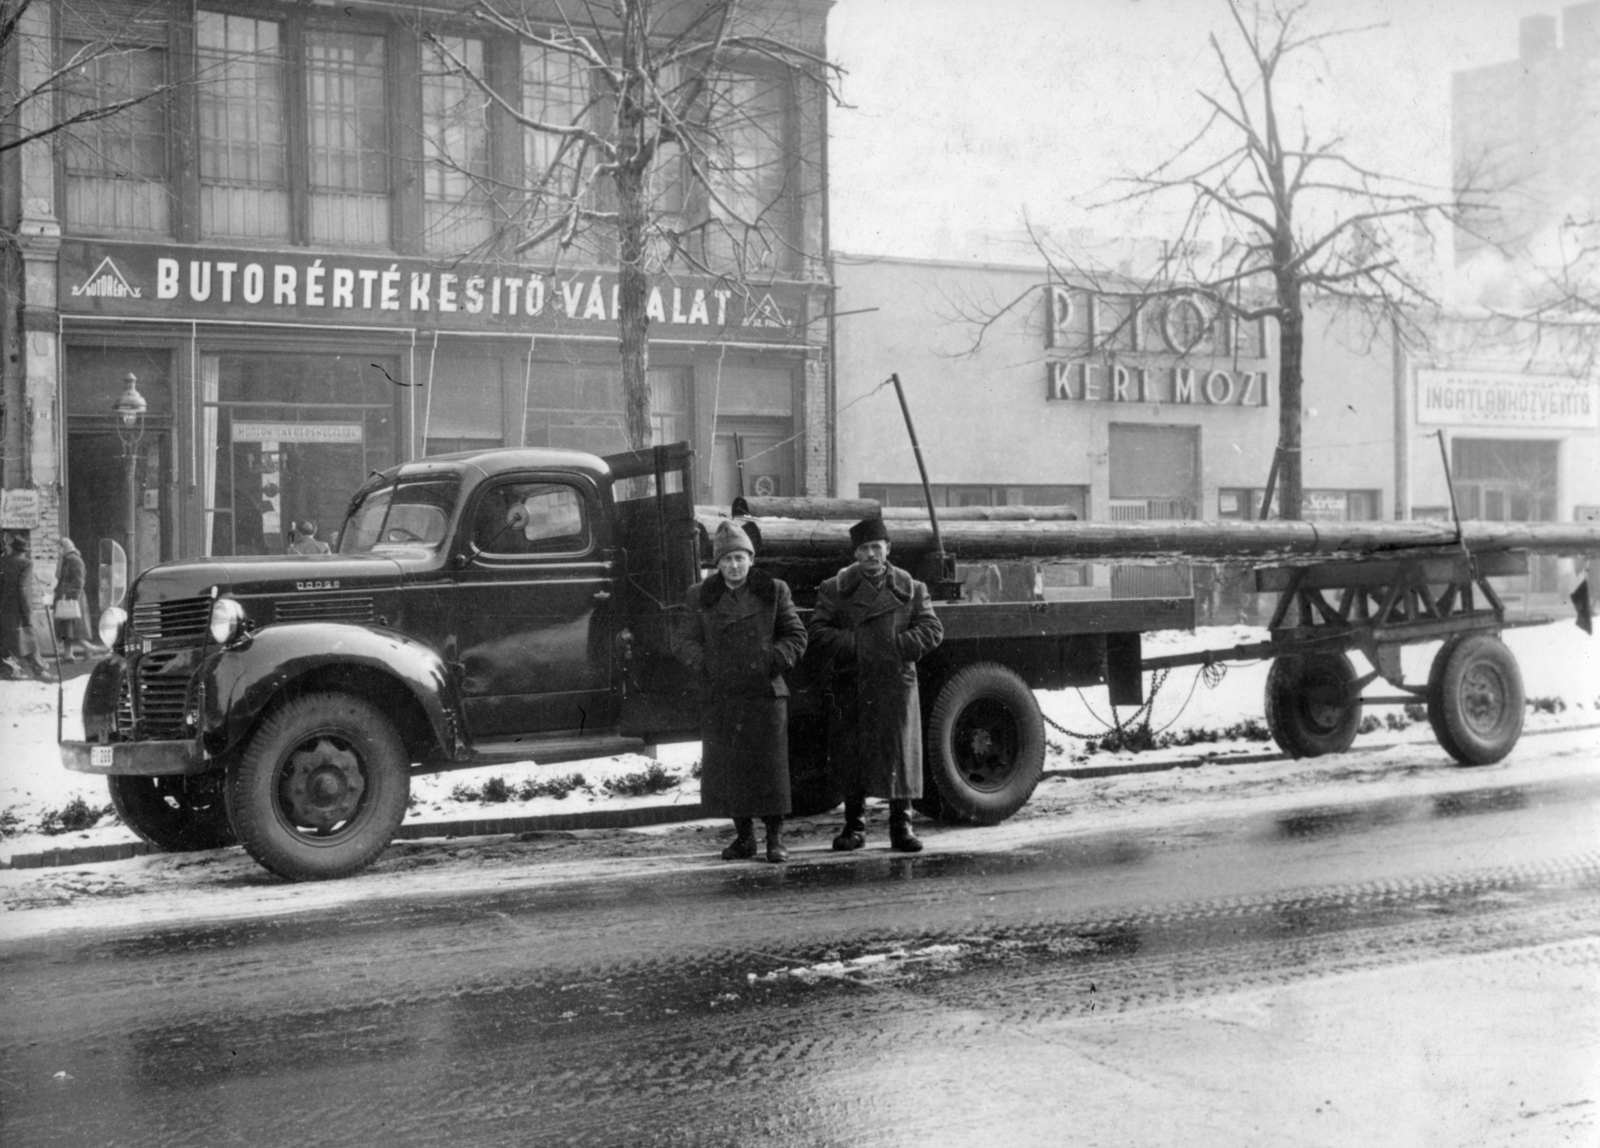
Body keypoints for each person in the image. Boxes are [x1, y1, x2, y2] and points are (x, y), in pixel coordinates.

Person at [672, 520, 808, 863]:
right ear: (717, 564)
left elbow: (796, 635)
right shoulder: (700, 594)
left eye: (740, 558)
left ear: (751, 559)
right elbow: (683, 640)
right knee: (732, 769)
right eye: (726, 560)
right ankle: (745, 837)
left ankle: (775, 838)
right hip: (723, 693)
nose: (734, 566)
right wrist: (707, 665)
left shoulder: (774, 590)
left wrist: (770, 662)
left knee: (770, 769)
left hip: (764, 692)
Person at [809, 518, 943, 853]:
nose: (871, 554)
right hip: (853, 682)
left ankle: (902, 826)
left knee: (898, 754)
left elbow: (932, 629)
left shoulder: (911, 588)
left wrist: (894, 648)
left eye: (876, 547)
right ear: (855, 552)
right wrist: (858, 646)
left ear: (888, 549)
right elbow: (818, 632)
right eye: (864, 549)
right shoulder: (834, 589)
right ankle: (855, 827)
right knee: (854, 755)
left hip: (895, 683)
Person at [1, 535, 53, 680]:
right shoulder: (26, 563)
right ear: (24, 550)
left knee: (6, 642)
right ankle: (39, 672)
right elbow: (23, 590)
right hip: (18, 609)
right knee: (30, 641)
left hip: (4, 609)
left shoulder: (3, 561)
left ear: (12, 547)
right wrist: (28, 612)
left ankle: (10, 670)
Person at [52, 537, 95, 661]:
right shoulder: (67, 560)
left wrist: (68, 596)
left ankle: (88, 648)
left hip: (72, 599)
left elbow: (78, 582)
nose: (58, 551)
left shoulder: (74, 560)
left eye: (59, 548)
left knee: (72, 628)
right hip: (66, 598)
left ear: (65, 547)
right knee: (67, 628)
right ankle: (68, 655)